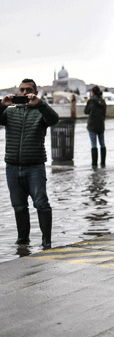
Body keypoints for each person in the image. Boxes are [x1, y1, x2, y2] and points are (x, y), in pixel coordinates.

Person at [1, 79, 59, 248]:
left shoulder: (40, 113)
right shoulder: (10, 113)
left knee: (41, 203)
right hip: (12, 166)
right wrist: (2, 104)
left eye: (29, 90)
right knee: (18, 206)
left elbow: (54, 119)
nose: (25, 93)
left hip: (35, 166)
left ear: (35, 92)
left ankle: (46, 242)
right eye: (22, 90)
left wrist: (40, 104)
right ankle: (23, 241)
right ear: (18, 92)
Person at [84, 86, 106, 167]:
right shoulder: (102, 101)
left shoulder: (91, 101)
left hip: (92, 125)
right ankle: (103, 163)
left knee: (94, 144)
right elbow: (104, 113)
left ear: (92, 92)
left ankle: (94, 164)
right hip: (101, 125)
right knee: (102, 144)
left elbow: (86, 111)